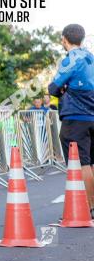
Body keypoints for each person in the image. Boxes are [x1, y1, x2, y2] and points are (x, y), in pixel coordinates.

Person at [48, 24, 94, 219]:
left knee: (81, 163)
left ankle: (88, 208)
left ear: (64, 39)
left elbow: (53, 88)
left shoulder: (70, 60)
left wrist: (62, 88)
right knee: (91, 162)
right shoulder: (91, 57)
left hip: (76, 117)